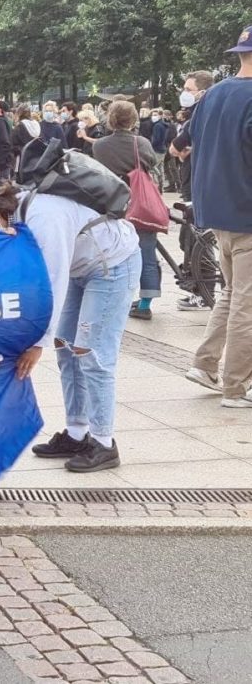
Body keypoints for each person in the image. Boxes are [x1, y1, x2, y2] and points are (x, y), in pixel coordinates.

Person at [0, 181, 140, 472]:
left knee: (91, 354)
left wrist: (37, 344)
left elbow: (52, 281)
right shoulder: (18, 215)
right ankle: (77, 432)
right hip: (80, 268)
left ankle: (104, 443)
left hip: (112, 266)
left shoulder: (43, 217)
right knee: (66, 350)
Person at [184, 26, 252, 408]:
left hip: (218, 212)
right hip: (247, 212)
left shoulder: (213, 94)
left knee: (231, 294)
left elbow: (188, 141)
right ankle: (236, 387)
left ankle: (206, 363)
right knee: (246, 302)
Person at [91, 101, 162, 320]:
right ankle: (144, 303)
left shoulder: (99, 145)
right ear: (133, 120)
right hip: (139, 204)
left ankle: (113, 297)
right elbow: (151, 164)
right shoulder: (141, 143)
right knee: (147, 251)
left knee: (111, 253)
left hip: (112, 204)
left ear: (110, 119)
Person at [170, 70, 215, 312]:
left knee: (198, 239)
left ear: (202, 91)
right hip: (197, 181)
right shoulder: (201, 114)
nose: (184, 94)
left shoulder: (199, 114)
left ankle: (203, 292)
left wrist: (186, 150)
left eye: (189, 90)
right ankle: (200, 289)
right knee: (192, 238)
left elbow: (174, 148)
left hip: (200, 183)